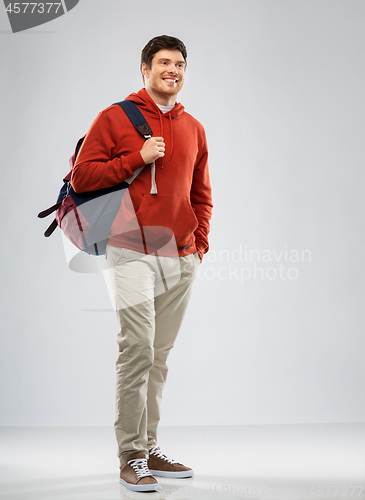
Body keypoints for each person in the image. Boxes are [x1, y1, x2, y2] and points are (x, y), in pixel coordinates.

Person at [71, 35, 213, 492]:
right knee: (136, 350)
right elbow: (83, 175)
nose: (172, 70)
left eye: (179, 64)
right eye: (164, 63)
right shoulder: (114, 117)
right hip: (129, 248)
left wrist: (200, 243)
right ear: (145, 69)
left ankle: (150, 446)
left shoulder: (194, 127)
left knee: (159, 356)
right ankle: (130, 454)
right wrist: (138, 156)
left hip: (181, 254)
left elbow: (201, 192)